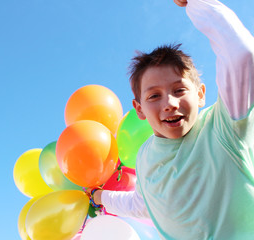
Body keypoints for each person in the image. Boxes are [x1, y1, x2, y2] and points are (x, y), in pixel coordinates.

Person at [88, 0, 254, 239]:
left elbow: (243, 55)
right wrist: (99, 196)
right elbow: (141, 204)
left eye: (179, 90)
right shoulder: (145, 158)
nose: (169, 103)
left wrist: (195, 2)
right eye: (154, 95)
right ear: (140, 109)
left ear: (200, 95)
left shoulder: (226, 123)